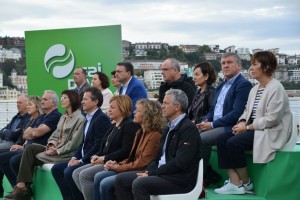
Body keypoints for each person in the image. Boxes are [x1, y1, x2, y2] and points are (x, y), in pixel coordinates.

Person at [214, 51, 292, 195]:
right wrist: (242, 122)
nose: (251, 68)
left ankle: (245, 182)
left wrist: (248, 127)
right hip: (255, 128)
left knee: (233, 143)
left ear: (266, 67)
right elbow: (246, 111)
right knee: (222, 139)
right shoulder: (255, 88)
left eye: (254, 64)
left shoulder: (276, 88)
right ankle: (234, 182)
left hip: (270, 131)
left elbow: (272, 119)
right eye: (251, 65)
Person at [115, 89, 201, 200]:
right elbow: (157, 158)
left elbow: (180, 163)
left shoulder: (188, 129)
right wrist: (149, 171)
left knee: (139, 184)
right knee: (121, 179)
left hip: (178, 180)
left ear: (177, 107)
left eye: (165, 103)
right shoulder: (168, 128)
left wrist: (152, 173)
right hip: (162, 174)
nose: (162, 106)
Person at [6, 90, 86, 200]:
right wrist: (52, 144)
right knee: (30, 149)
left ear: (72, 100)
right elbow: (55, 135)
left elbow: (74, 142)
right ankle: (22, 187)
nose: (61, 100)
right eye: (61, 98)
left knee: (19, 158)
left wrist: (56, 150)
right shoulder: (64, 117)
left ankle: (23, 190)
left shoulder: (80, 119)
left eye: (64, 98)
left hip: (65, 153)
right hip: (54, 149)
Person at [91, 99, 164, 200]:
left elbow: (142, 163)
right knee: (99, 177)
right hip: (132, 168)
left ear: (148, 115)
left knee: (105, 183)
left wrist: (117, 167)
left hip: (142, 171)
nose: (134, 112)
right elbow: (131, 157)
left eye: (138, 110)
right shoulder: (140, 132)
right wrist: (116, 164)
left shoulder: (155, 135)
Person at [72, 95, 140, 200]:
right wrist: (97, 156)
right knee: (76, 173)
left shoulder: (129, 125)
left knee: (85, 175)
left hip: (116, 162)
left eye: (113, 107)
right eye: (109, 107)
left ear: (122, 109)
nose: (109, 110)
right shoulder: (113, 126)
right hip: (105, 160)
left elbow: (126, 150)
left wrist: (104, 158)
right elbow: (103, 147)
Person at [196, 53, 252, 178]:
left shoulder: (243, 84)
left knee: (202, 139)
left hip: (230, 126)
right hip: (216, 124)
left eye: (229, 62)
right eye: (223, 63)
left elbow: (237, 113)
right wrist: (204, 122)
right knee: (191, 135)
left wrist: (212, 124)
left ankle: (199, 179)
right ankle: (195, 174)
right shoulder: (221, 85)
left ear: (238, 66)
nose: (225, 66)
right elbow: (213, 110)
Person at [51, 87, 111, 200]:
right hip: (83, 158)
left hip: (91, 159)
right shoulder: (87, 118)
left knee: (69, 171)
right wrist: (75, 157)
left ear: (95, 102)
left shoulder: (101, 119)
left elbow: (98, 146)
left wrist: (81, 160)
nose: (82, 102)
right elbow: (82, 143)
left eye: (85, 99)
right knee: (56, 169)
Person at [1, 91, 61, 189]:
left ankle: (24, 189)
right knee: (3, 159)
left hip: (40, 148)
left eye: (45, 99)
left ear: (53, 103)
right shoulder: (42, 117)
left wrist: (32, 132)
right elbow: (25, 135)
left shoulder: (55, 116)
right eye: (42, 99)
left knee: (14, 161)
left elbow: (35, 133)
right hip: (28, 148)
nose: (42, 102)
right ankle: (17, 188)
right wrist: (32, 132)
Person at [0, 96, 38, 197]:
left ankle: (21, 189)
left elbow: (15, 135)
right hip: (14, 143)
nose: (17, 104)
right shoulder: (16, 117)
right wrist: (6, 132)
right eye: (17, 103)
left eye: (20, 103)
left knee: (10, 159)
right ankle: (17, 188)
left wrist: (8, 132)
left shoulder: (28, 119)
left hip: (14, 143)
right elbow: (4, 131)